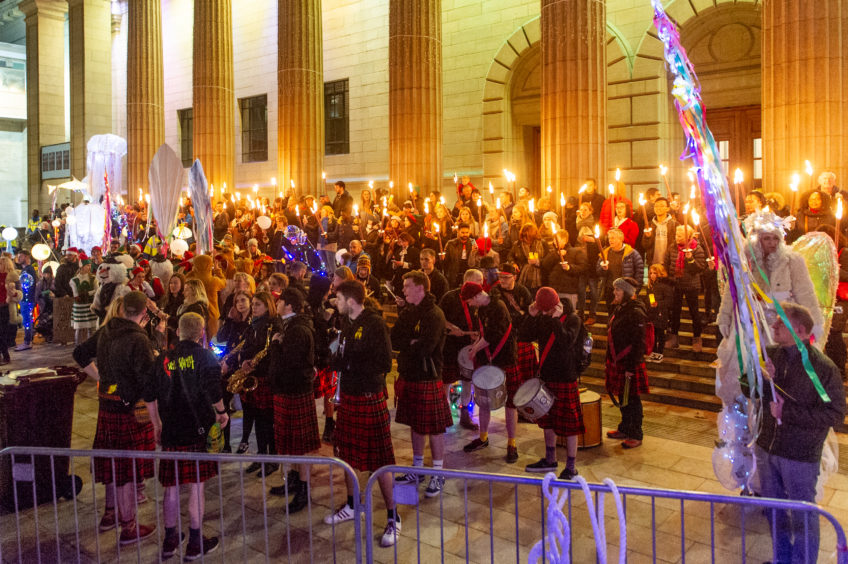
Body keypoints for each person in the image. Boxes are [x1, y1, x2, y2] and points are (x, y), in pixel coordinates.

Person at [757, 302, 846, 564]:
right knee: (775, 512)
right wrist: (761, 377)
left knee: (802, 516)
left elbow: (835, 414)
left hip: (799, 456)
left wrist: (788, 414)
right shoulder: (771, 355)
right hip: (768, 449)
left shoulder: (822, 367)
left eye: (780, 324)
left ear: (800, 330)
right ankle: (781, 559)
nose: (773, 326)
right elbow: (747, 390)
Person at [144, 312, 227, 560]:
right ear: (201, 332)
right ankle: (194, 541)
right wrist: (222, 412)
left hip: (171, 429)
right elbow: (214, 391)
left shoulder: (164, 359)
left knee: (170, 489)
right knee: (196, 488)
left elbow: (148, 395)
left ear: (178, 331)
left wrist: (156, 423)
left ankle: (170, 540)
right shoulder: (205, 357)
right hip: (197, 430)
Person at [324, 280, 400, 548]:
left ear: (352, 300)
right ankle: (354, 504)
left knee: (380, 460)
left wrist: (350, 362)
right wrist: (336, 359)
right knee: (346, 455)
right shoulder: (347, 323)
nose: (336, 303)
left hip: (369, 397)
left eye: (339, 299)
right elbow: (344, 355)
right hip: (350, 399)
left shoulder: (375, 324)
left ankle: (393, 517)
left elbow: (383, 363)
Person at [92, 291, 157, 544]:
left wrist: (103, 381)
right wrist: (156, 420)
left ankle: (110, 514)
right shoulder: (138, 339)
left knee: (113, 462)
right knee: (126, 471)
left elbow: (79, 353)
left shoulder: (107, 330)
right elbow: (148, 384)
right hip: (129, 411)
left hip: (107, 406)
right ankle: (129, 526)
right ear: (143, 312)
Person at [391, 271, 452, 497]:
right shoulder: (408, 311)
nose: (403, 290)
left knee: (434, 428)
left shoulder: (435, 314)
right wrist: (411, 342)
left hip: (428, 375)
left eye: (407, 286)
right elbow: (394, 338)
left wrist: (411, 343)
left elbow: (426, 347)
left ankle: (438, 472)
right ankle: (417, 469)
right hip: (410, 374)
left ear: (420, 288)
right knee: (416, 425)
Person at [519, 287, 584, 480]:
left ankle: (571, 467)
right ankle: (550, 459)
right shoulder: (542, 317)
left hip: (565, 377)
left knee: (569, 424)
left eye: (547, 310)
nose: (545, 314)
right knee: (547, 421)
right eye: (542, 310)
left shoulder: (573, 319)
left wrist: (556, 320)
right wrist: (530, 316)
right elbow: (523, 336)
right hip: (546, 377)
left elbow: (566, 341)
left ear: (556, 306)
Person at [267, 288, 320, 512]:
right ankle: (294, 480)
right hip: (288, 390)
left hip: (296, 391)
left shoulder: (297, 329)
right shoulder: (289, 325)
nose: (276, 304)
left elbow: (290, 363)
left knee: (301, 447)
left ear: (288, 306)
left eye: (279, 301)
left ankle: (303, 490)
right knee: (292, 444)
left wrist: (276, 345)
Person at [461, 282, 522, 463]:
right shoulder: (482, 309)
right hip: (488, 358)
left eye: (469, 301)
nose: (470, 305)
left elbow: (493, 335)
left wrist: (474, 349)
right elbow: (483, 333)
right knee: (484, 399)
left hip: (506, 358)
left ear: (476, 296)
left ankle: (512, 444)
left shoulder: (498, 306)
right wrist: (476, 346)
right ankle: (483, 437)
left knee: (510, 403)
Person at [222, 292, 280, 476]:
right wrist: (239, 360)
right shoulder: (253, 325)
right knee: (258, 422)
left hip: (265, 377)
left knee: (267, 422)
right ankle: (261, 456)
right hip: (251, 375)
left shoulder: (272, 325)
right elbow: (246, 345)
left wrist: (249, 360)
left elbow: (269, 350)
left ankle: (273, 459)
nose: (254, 308)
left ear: (268, 306)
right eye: (253, 304)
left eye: (258, 305)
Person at [604, 278, 649, 448]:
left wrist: (631, 367)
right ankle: (624, 427)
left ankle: (636, 433)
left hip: (629, 362)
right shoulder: (620, 308)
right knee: (622, 397)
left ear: (627, 293)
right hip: (617, 361)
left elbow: (639, 342)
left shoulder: (636, 312)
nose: (614, 292)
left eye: (618, 290)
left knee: (632, 399)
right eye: (615, 289)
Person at [439, 269, 484, 429]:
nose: (481, 283)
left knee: (468, 381)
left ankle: (465, 415)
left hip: (470, 347)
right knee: (446, 381)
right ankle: (442, 414)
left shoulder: (479, 297)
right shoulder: (450, 297)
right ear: (468, 280)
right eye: (478, 280)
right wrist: (452, 328)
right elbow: (440, 318)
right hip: (451, 346)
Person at [663, 225, 706, 352]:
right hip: (675, 284)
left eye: (680, 235)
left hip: (691, 285)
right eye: (676, 235)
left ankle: (697, 338)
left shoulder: (696, 249)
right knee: (675, 312)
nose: (677, 237)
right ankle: (674, 337)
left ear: (688, 236)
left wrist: (690, 260)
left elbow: (700, 267)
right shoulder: (672, 247)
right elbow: (666, 263)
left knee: (694, 313)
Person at [597, 228, 644, 315]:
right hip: (611, 290)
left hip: (625, 290)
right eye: (609, 238)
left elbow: (639, 274)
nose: (610, 240)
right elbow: (599, 272)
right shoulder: (605, 253)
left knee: (625, 316)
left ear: (621, 239)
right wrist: (603, 269)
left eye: (613, 238)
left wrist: (635, 291)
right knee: (611, 315)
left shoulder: (632, 253)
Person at [643, 264, 674, 363]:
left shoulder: (665, 286)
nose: (652, 275)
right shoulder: (651, 286)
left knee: (660, 334)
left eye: (654, 273)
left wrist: (658, 304)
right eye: (650, 273)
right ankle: (653, 352)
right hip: (652, 314)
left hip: (661, 314)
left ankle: (659, 353)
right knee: (653, 334)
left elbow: (669, 301)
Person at [70, 259, 98, 345]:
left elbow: (97, 290)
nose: (89, 267)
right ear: (81, 266)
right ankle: (77, 346)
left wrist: (87, 293)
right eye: (87, 265)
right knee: (79, 328)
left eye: (90, 265)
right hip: (79, 307)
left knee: (91, 328)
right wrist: (83, 295)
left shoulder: (93, 278)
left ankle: (90, 347)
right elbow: (76, 295)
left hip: (90, 305)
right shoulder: (74, 280)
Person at [443, 223, 478, 288]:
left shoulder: (473, 241)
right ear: (458, 232)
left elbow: (476, 258)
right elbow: (446, 261)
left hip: (467, 268)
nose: (465, 234)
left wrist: (473, 252)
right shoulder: (451, 243)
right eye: (462, 232)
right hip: (455, 270)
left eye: (467, 232)